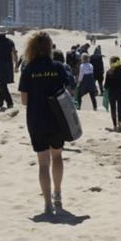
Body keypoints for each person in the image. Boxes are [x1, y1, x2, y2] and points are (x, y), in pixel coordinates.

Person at [19, 32, 72, 214]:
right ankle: (58, 194)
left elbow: (24, 100)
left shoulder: (28, 69)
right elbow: (68, 90)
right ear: (49, 46)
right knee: (57, 157)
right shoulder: (57, 67)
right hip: (57, 119)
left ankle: (47, 203)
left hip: (36, 119)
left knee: (43, 164)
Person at [104, 56, 121, 132]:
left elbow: (106, 85)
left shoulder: (109, 72)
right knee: (120, 108)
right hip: (120, 92)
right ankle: (119, 124)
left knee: (113, 109)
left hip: (112, 92)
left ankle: (114, 126)